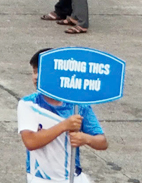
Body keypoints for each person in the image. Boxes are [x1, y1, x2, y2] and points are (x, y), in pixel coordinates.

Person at [18, 49, 108, 182]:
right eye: (35, 71)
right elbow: (31, 142)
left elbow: (102, 142)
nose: (36, 77)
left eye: (42, 71)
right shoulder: (29, 104)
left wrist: (85, 138)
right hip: (41, 178)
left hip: (74, 177)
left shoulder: (78, 104)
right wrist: (64, 125)